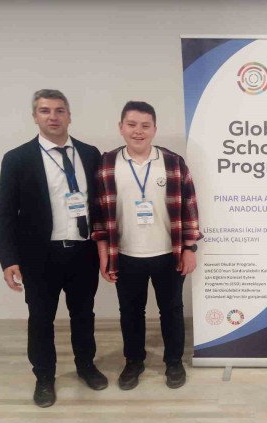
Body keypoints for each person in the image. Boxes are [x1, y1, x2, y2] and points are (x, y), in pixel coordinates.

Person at [0, 89, 108, 408]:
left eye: (59, 110)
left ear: (69, 116)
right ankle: (44, 377)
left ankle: (86, 366)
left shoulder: (90, 154)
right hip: (39, 256)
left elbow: (100, 205)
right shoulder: (17, 159)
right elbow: (5, 214)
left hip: (83, 252)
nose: (53, 117)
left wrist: (105, 247)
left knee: (83, 314)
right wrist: (8, 258)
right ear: (35, 117)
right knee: (41, 319)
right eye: (45, 111)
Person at [92, 101, 202, 390]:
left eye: (145, 125)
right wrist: (103, 254)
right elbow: (99, 213)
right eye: (131, 125)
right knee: (130, 312)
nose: (138, 131)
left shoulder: (173, 162)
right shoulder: (107, 164)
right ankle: (134, 361)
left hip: (168, 253)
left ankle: (174, 362)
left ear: (154, 129)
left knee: (172, 310)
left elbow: (189, 205)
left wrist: (190, 248)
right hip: (125, 254)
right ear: (121, 127)